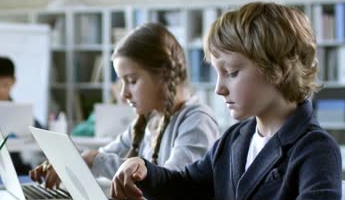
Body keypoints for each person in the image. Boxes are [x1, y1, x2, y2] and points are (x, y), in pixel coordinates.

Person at [111, 2, 342, 200]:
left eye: (231, 72)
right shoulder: (235, 138)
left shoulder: (315, 148)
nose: (219, 89)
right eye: (217, 74)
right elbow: (188, 187)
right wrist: (144, 171)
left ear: (279, 69)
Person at [30, 23, 220, 189]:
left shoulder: (197, 120)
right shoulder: (149, 120)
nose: (123, 94)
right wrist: (67, 162)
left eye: (131, 81)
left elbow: (172, 184)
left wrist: (93, 159)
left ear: (163, 75)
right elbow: (104, 156)